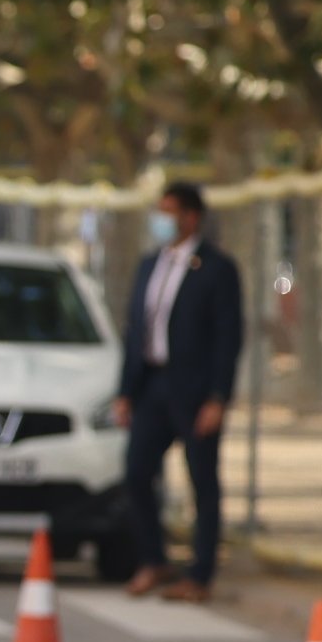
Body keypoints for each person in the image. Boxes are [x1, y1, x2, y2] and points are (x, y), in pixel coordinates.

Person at [112, 180, 242, 598]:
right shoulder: (150, 264)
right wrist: (126, 390)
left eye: (169, 211)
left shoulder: (217, 268)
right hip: (152, 383)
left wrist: (218, 397)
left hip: (195, 389)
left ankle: (199, 574)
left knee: (202, 481)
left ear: (191, 217)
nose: (161, 220)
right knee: (136, 473)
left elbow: (228, 336)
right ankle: (153, 560)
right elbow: (137, 330)